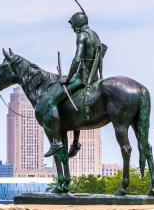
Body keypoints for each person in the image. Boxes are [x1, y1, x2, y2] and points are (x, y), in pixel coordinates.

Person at [39, 9, 105, 157]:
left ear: (77, 24)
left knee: (51, 103)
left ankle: (56, 141)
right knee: (73, 104)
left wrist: (67, 79)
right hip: (94, 77)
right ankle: (75, 142)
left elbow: (77, 59)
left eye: (73, 25)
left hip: (82, 77)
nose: (72, 28)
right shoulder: (95, 35)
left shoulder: (82, 36)